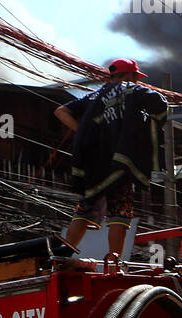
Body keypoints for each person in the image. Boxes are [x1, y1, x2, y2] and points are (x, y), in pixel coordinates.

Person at [54, 58, 168, 260]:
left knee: (85, 207)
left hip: (93, 165)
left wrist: (82, 130)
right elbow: (160, 104)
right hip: (120, 161)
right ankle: (114, 260)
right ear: (129, 76)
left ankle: (64, 253)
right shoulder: (132, 90)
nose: (137, 81)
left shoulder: (94, 97)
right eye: (136, 77)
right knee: (119, 211)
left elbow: (61, 111)